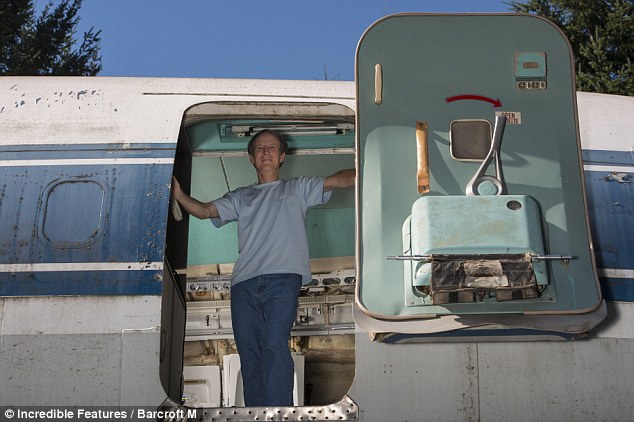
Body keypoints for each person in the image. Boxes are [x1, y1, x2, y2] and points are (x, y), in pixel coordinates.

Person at [171, 129, 355, 406]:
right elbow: (205, 210)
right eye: (259, 149)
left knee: (274, 343)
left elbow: (340, 180)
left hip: (283, 279)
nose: (266, 152)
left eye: (271, 148)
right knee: (249, 351)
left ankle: (278, 411)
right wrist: (178, 194)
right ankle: (256, 411)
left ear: (281, 156)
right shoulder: (241, 196)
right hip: (243, 282)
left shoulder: (297, 188)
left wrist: (370, 164)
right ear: (251, 158)